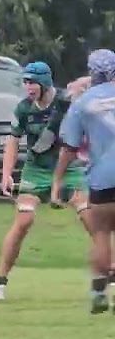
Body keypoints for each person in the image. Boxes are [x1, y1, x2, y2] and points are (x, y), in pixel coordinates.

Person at [0, 61, 88, 302]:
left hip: (69, 168)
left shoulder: (66, 101)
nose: (28, 87)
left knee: (90, 216)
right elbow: (12, 141)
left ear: (45, 83)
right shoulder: (23, 109)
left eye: (32, 82)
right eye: (25, 81)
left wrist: (84, 83)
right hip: (36, 170)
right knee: (24, 220)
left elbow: (90, 82)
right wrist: (6, 173)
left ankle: (110, 270)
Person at [58, 50, 115, 313]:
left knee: (101, 234)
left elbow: (69, 147)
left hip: (102, 177)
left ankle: (98, 293)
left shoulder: (82, 104)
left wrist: (57, 179)